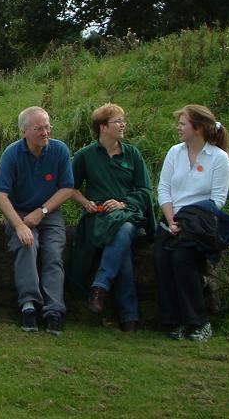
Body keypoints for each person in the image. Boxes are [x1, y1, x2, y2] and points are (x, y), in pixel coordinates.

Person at [67, 103, 155, 332]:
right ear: (103, 127)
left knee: (123, 228)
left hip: (128, 214)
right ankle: (129, 316)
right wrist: (85, 202)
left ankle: (100, 287)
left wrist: (123, 203)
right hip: (99, 216)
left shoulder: (132, 154)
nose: (123, 125)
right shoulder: (85, 155)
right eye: (118, 121)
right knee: (121, 246)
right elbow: (69, 187)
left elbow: (145, 190)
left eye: (123, 120)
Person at [155, 104, 229, 342]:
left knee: (182, 258)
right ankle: (175, 320)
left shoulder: (218, 158)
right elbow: (164, 188)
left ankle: (199, 321)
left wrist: (187, 220)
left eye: (183, 124)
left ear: (198, 128)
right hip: (172, 219)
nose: (178, 128)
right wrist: (171, 220)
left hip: (201, 223)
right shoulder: (174, 152)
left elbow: (218, 199)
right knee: (162, 258)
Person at [0, 106, 74, 335]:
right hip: (19, 211)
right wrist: (19, 225)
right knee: (27, 245)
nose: (45, 132)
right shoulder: (12, 154)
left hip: (50, 212)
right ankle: (28, 305)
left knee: (53, 253)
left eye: (47, 127)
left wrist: (42, 211)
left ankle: (54, 310)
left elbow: (67, 188)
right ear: (24, 131)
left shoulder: (59, 150)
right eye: (39, 128)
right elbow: (0, 194)